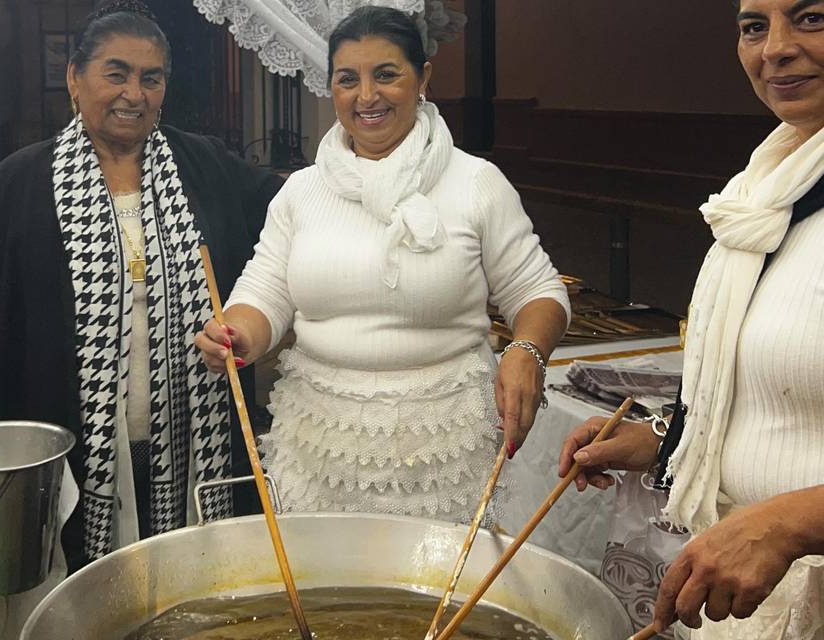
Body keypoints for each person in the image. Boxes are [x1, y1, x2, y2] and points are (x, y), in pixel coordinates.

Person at [0, 0, 283, 570]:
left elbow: (293, 215)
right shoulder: (20, 183)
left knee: (191, 592)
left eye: (151, 78)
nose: (134, 93)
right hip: (68, 454)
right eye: (115, 73)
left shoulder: (204, 167)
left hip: (194, 447)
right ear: (76, 78)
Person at [197, 6, 569, 524]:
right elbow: (265, 290)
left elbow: (539, 291)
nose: (366, 96)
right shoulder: (302, 191)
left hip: (440, 446)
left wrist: (527, 350)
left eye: (386, 75)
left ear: (424, 79)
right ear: (331, 88)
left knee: (439, 598)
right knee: (320, 595)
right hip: (320, 439)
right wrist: (235, 334)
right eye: (348, 80)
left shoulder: (476, 182)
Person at [559, 0, 824, 637]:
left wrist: (791, 520)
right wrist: (664, 440)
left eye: (811, 17)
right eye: (753, 26)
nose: (774, 49)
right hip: (743, 587)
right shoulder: (767, 188)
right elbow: (765, 391)